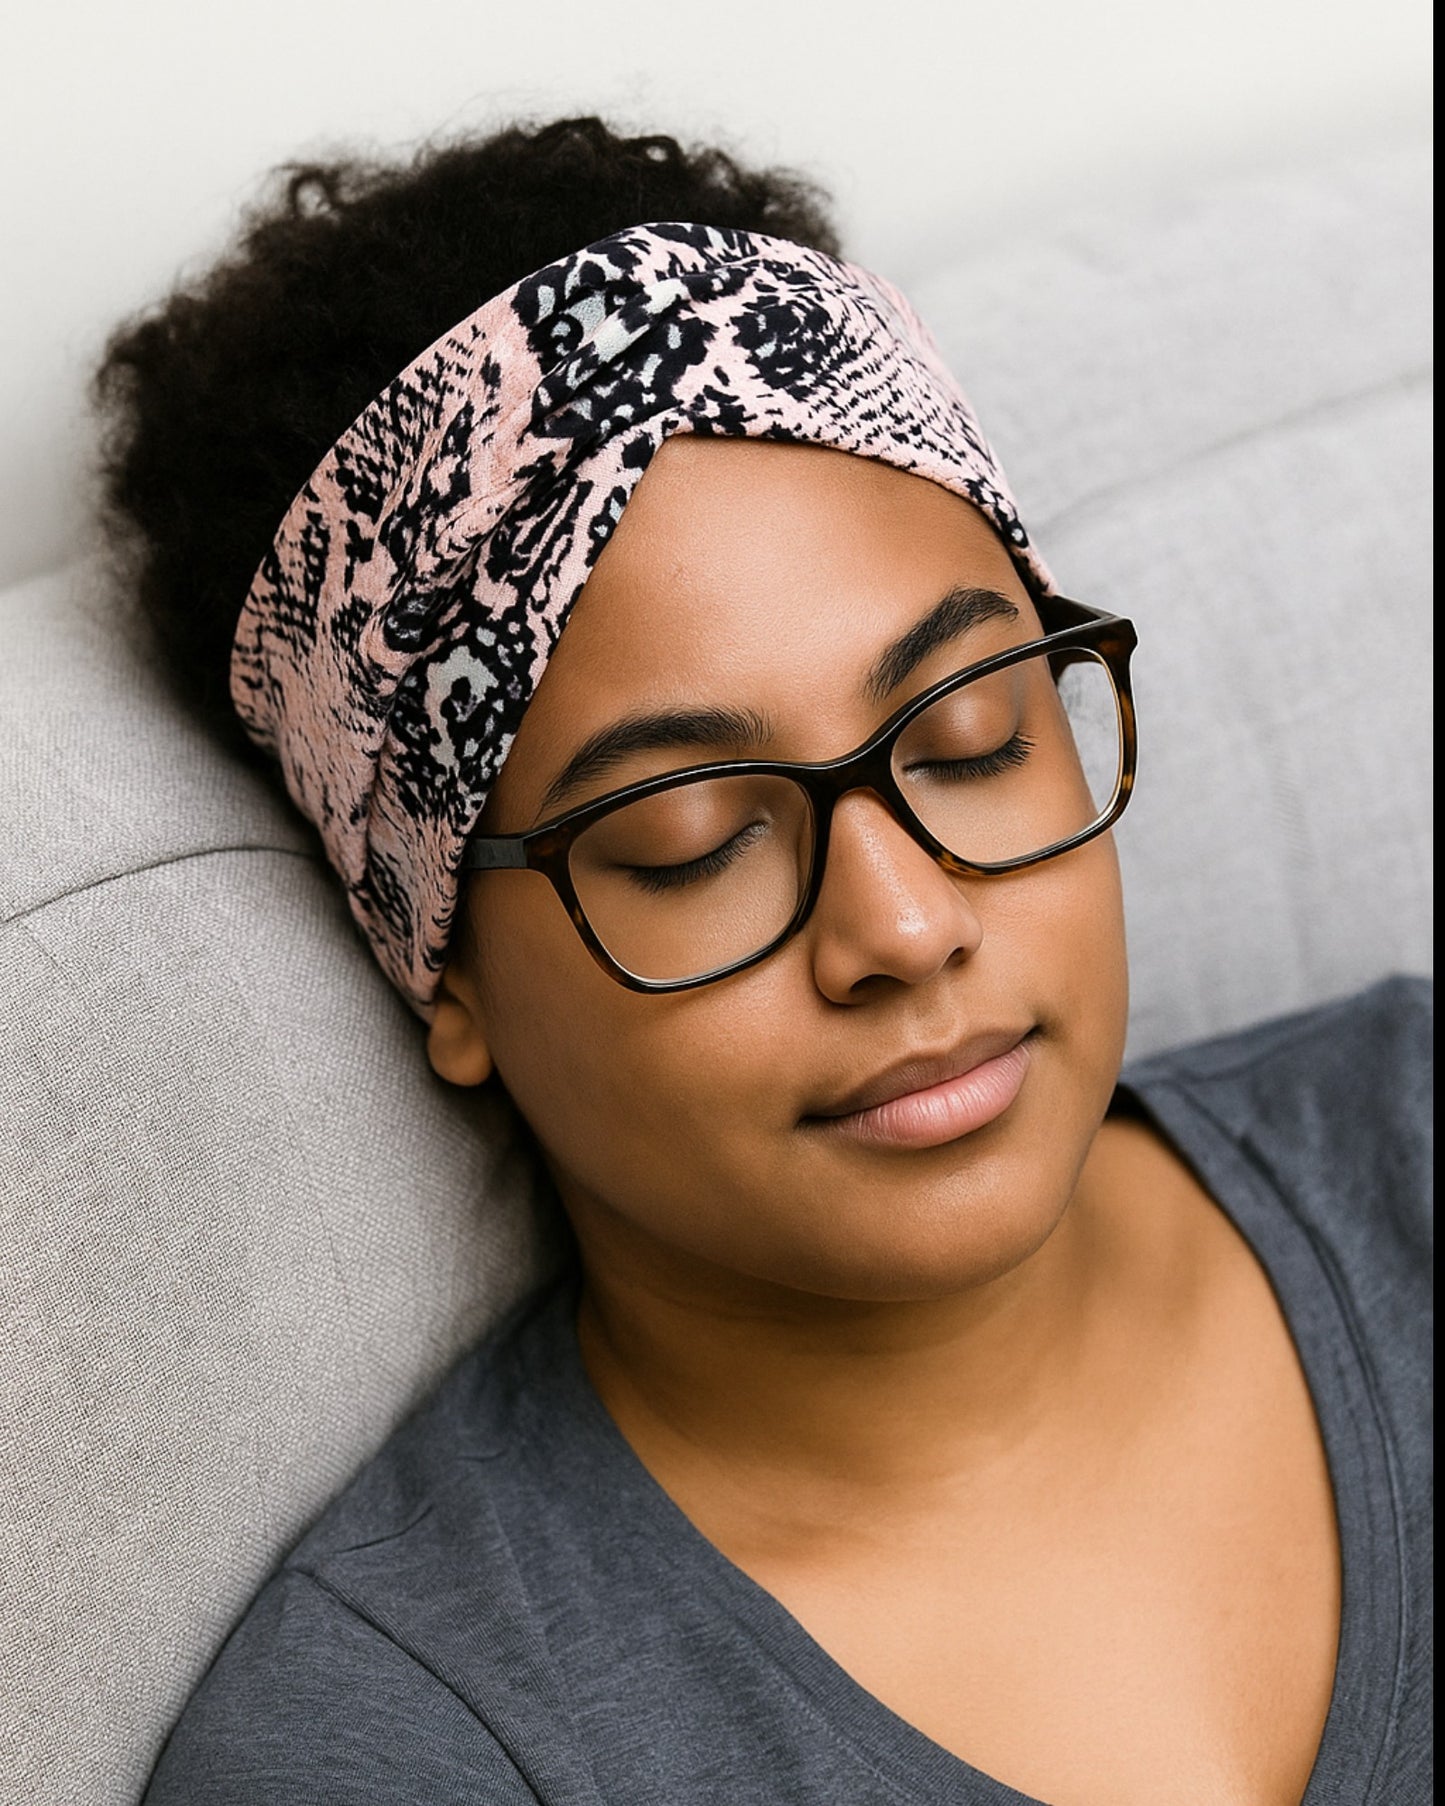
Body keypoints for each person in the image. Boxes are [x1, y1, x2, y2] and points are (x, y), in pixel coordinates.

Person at [97, 117, 1430, 1805]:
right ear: (446, 972)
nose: (903, 923)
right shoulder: (413, 1752)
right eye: (693, 839)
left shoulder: (1410, 1135)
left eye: (965, 736)